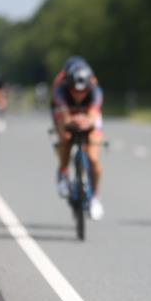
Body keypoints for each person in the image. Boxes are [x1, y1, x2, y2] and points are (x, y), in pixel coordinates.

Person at [51, 57, 106, 220]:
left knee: (93, 157)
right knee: (65, 137)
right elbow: (64, 118)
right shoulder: (60, 91)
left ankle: (95, 197)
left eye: (83, 91)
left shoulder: (96, 92)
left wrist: (86, 121)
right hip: (66, 113)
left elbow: (93, 115)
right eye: (75, 90)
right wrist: (70, 122)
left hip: (88, 117)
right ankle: (63, 171)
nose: (79, 94)